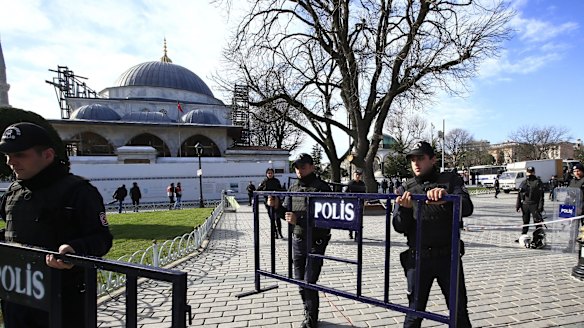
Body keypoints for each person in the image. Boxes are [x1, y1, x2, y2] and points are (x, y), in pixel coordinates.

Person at [0, 122, 113, 328]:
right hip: (17, 298)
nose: (10, 162)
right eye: (7, 155)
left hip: (62, 300)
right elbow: (12, 231)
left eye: (20, 155)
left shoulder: (78, 192)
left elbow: (102, 238)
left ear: (48, 155)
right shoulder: (13, 192)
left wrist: (75, 250)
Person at [392, 141, 473, 328]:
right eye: (412, 159)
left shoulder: (450, 180)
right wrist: (404, 210)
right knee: (414, 313)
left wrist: (447, 198)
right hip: (418, 259)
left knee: (459, 312)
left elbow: (467, 207)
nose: (416, 163)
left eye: (420, 158)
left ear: (433, 159)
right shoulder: (406, 188)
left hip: (448, 258)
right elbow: (398, 226)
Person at [268, 153, 331, 328]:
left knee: (309, 281)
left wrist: (300, 220)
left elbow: (327, 221)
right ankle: (308, 311)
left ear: (312, 167)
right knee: (300, 282)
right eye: (296, 167)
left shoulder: (322, 188)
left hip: (316, 241)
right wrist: (277, 207)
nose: (299, 170)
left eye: (303, 166)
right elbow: (286, 214)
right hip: (297, 239)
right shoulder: (293, 187)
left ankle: (311, 318)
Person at [516, 166, 544, 239]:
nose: (530, 174)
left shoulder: (537, 182)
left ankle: (538, 237)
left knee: (537, 222)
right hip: (525, 205)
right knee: (525, 221)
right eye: (528, 172)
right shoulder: (524, 182)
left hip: (534, 204)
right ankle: (523, 236)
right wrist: (518, 205)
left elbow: (541, 196)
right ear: (526, 172)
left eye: (531, 172)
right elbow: (519, 194)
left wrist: (540, 207)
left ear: (534, 172)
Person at [257, 168, 284, 239]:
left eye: (271, 173)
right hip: (268, 202)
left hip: (276, 202)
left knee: (278, 217)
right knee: (272, 218)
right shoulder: (264, 181)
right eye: (268, 173)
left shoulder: (276, 181)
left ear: (273, 173)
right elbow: (258, 190)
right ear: (266, 174)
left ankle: (280, 232)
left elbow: (280, 189)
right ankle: (275, 233)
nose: (270, 174)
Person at [345, 169, 366, 240]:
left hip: (359, 204)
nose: (358, 176)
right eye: (356, 175)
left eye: (359, 175)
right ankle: (350, 233)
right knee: (351, 219)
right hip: (351, 204)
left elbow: (364, 193)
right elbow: (346, 193)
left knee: (359, 220)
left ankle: (357, 235)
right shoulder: (350, 183)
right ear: (354, 175)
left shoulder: (362, 184)